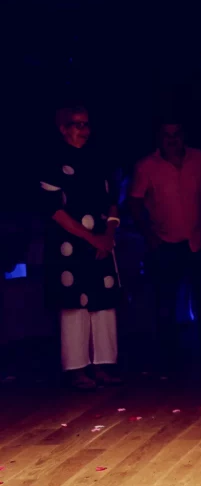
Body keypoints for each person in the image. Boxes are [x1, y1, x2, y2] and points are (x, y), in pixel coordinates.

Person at [41, 106, 121, 390]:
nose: (83, 130)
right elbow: (56, 211)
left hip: (100, 242)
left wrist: (108, 234)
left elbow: (112, 200)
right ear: (63, 128)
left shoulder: (98, 160)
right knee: (74, 303)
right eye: (77, 125)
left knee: (102, 302)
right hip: (71, 245)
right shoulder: (52, 161)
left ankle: (103, 364)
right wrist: (91, 239)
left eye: (86, 124)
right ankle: (76, 367)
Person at [129, 119, 201, 376]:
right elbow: (133, 203)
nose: (172, 139)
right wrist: (149, 235)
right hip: (165, 244)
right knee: (165, 306)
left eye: (177, 134)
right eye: (167, 135)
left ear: (183, 135)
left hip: (199, 241)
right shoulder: (147, 167)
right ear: (159, 137)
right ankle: (168, 364)